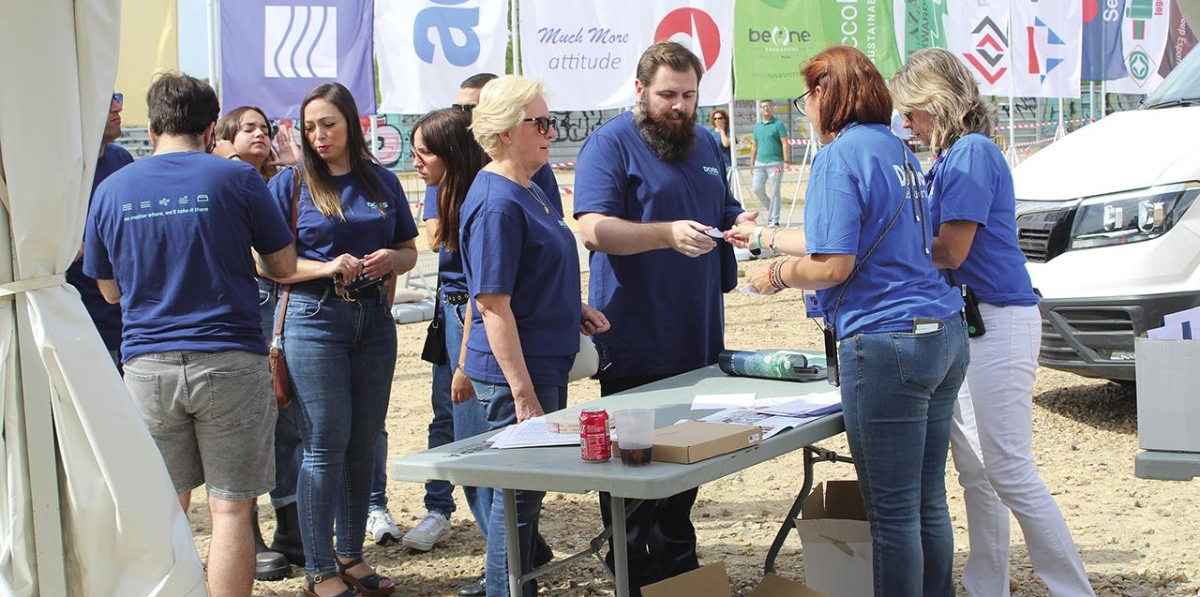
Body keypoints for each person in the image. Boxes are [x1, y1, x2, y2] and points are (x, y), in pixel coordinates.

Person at [732, 45, 969, 597]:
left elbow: (832, 264)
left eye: (806, 96)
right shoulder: (897, 148)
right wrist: (766, 237)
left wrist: (777, 274)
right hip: (941, 331)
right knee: (926, 499)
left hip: (887, 341)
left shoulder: (839, 157)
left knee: (891, 515)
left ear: (824, 94)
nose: (804, 110)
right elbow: (841, 238)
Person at [890, 47, 1097, 597]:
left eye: (911, 110)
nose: (906, 123)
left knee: (1007, 468)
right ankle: (987, 586)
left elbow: (950, 251)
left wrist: (882, 249)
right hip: (974, 322)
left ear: (937, 101)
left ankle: (1073, 588)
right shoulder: (952, 158)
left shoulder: (971, 154)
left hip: (999, 319)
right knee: (978, 472)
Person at [83, 73, 297, 597]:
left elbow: (108, 292)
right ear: (209, 128)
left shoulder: (112, 188)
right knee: (229, 508)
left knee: (162, 505)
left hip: (147, 364)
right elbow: (283, 264)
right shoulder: (237, 180)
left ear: (153, 126)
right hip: (229, 357)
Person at [574, 41, 755, 596]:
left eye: (689, 95)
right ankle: (630, 567)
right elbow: (592, 228)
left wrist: (741, 219)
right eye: (667, 95)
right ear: (640, 91)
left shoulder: (706, 141)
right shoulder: (610, 144)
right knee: (632, 463)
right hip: (632, 332)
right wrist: (664, 233)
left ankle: (677, 558)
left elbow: (721, 207)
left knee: (686, 453)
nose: (679, 106)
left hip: (697, 330)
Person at [263, 82, 418, 597]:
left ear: (351, 123)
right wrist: (328, 266)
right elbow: (267, 263)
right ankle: (317, 569)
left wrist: (390, 261)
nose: (318, 135)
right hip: (314, 316)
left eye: (328, 123)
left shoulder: (380, 180)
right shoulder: (291, 184)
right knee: (324, 444)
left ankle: (351, 556)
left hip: (373, 319)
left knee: (363, 441)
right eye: (310, 127)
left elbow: (408, 251)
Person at [459, 74, 609, 597]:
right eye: (540, 122)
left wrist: (572, 309)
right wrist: (523, 394)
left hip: (542, 362)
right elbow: (493, 305)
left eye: (552, 120)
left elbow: (527, 278)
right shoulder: (499, 201)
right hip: (516, 374)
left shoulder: (527, 186)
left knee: (524, 495)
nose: (551, 130)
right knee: (517, 498)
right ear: (504, 131)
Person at [213, 104, 306, 580]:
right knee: (245, 427)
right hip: (234, 318)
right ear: (222, 135)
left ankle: (291, 527)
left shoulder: (283, 183)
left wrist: (294, 169)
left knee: (285, 416)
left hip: (279, 308)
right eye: (246, 127)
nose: (259, 135)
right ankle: (248, 533)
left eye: (265, 129)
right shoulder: (217, 182)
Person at [66, 91, 132, 369]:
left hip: (126, 322)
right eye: (105, 98)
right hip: (77, 322)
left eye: (116, 97)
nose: (117, 106)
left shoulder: (121, 160)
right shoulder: (62, 167)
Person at [749, 99, 789, 226]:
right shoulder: (758, 126)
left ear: (772, 108)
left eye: (768, 106)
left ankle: (775, 219)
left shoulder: (778, 124)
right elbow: (754, 145)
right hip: (760, 163)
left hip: (775, 162)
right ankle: (770, 209)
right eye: (763, 107)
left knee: (774, 191)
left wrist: (786, 160)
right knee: (757, 189)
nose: (765, 109)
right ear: (760, 110)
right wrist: (752, 162)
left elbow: (785, 143)